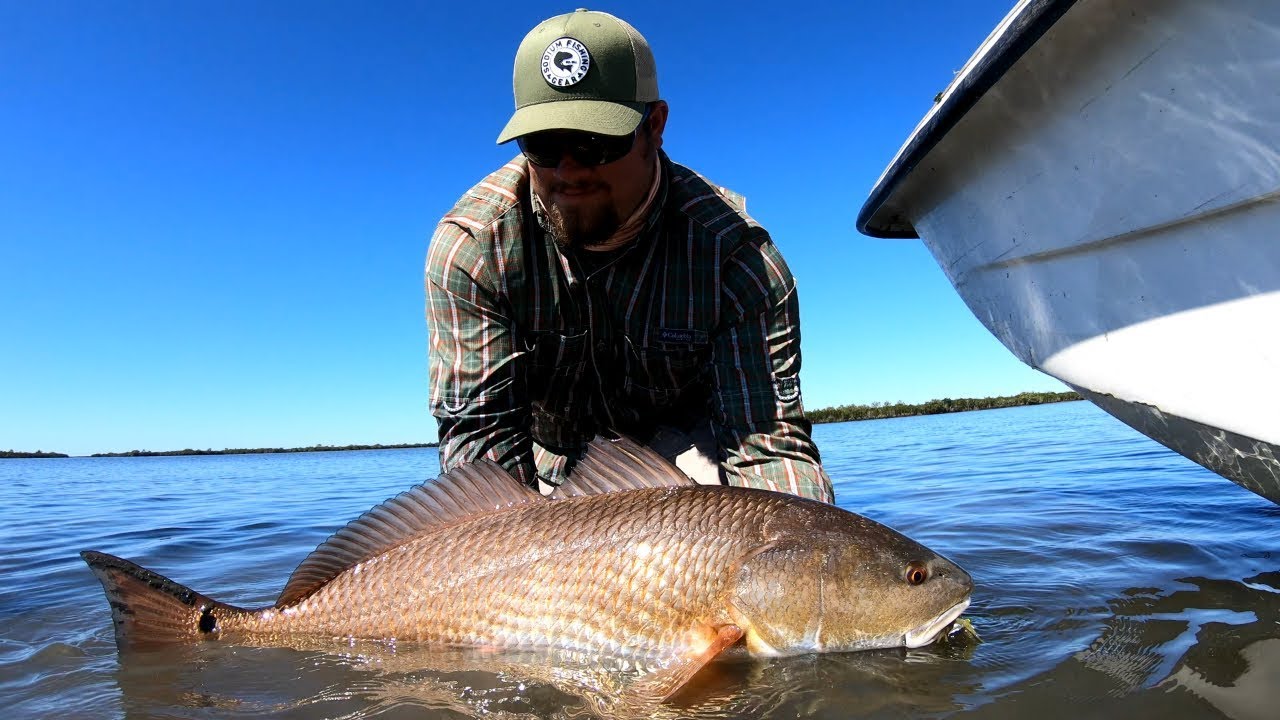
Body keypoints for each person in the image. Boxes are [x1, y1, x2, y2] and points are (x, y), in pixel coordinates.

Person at [425, 9, 833, 502]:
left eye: (595, 143)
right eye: (543, 145)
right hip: (544, 468)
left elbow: (766, 443)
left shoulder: (736, 259)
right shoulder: (473, 250)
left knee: (755, 530)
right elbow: (481, 457)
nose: (569, 171)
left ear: (654, 126)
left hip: (686, 462)